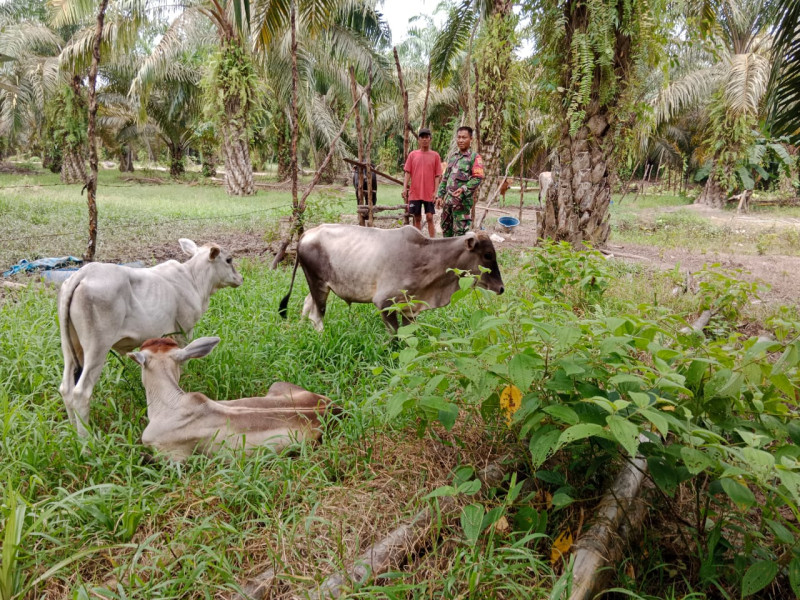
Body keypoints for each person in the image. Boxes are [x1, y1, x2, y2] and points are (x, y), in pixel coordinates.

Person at [435, 126, 484, 237]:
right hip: (448, 204)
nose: (461, 140)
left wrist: (463, 188)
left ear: (471, 139)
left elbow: (478, 177)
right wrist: (439, 195)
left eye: (464, 137)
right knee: (446, 232)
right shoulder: (453, 157)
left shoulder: (474, 158)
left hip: (461, 205)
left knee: (460, 236)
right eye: (459, 137)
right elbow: (445, 178)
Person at [402, 128, 442, 238]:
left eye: (427, 137)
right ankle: (418, 241)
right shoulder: (412, 155)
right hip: (415, 192)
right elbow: (407, 172)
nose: (424, 139)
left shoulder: (435, 156)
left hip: (429, 193)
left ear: (430, 139)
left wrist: (436, 192)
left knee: (429, 217)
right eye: (422, 137)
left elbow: (437, 175)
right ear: (418, 140)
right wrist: (404, 188)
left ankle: (433, 241)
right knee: (417, 217)